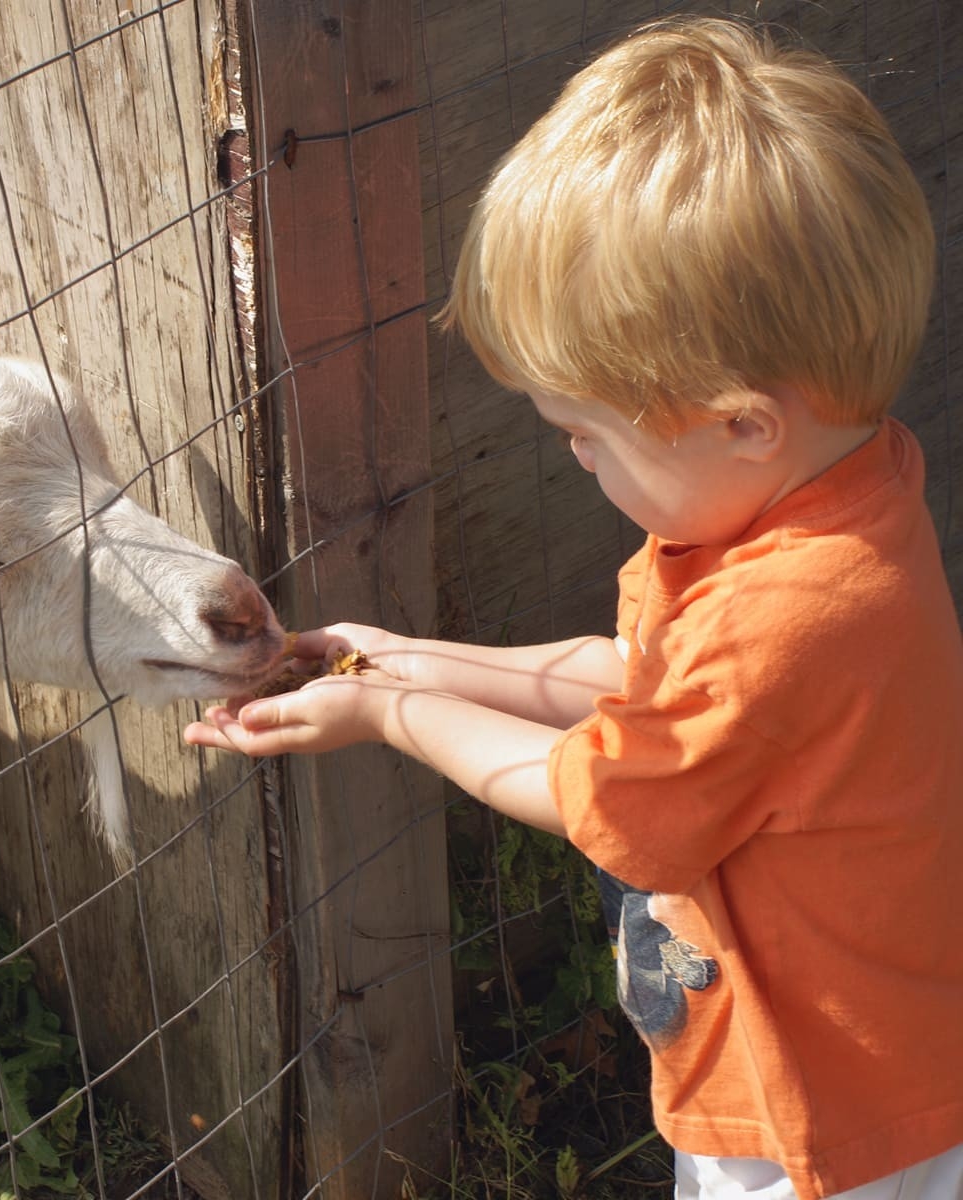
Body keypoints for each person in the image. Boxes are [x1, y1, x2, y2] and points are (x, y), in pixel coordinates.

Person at [184, 16, 963, 1200]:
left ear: (744, 419)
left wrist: (392, 715)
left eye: (587, 437)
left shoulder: (792, 612)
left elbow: (591, 797)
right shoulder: (829, 498)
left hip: (828, 1120)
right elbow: (637, 672)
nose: (580, 467)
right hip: (815, 1052)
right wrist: (403, 655)